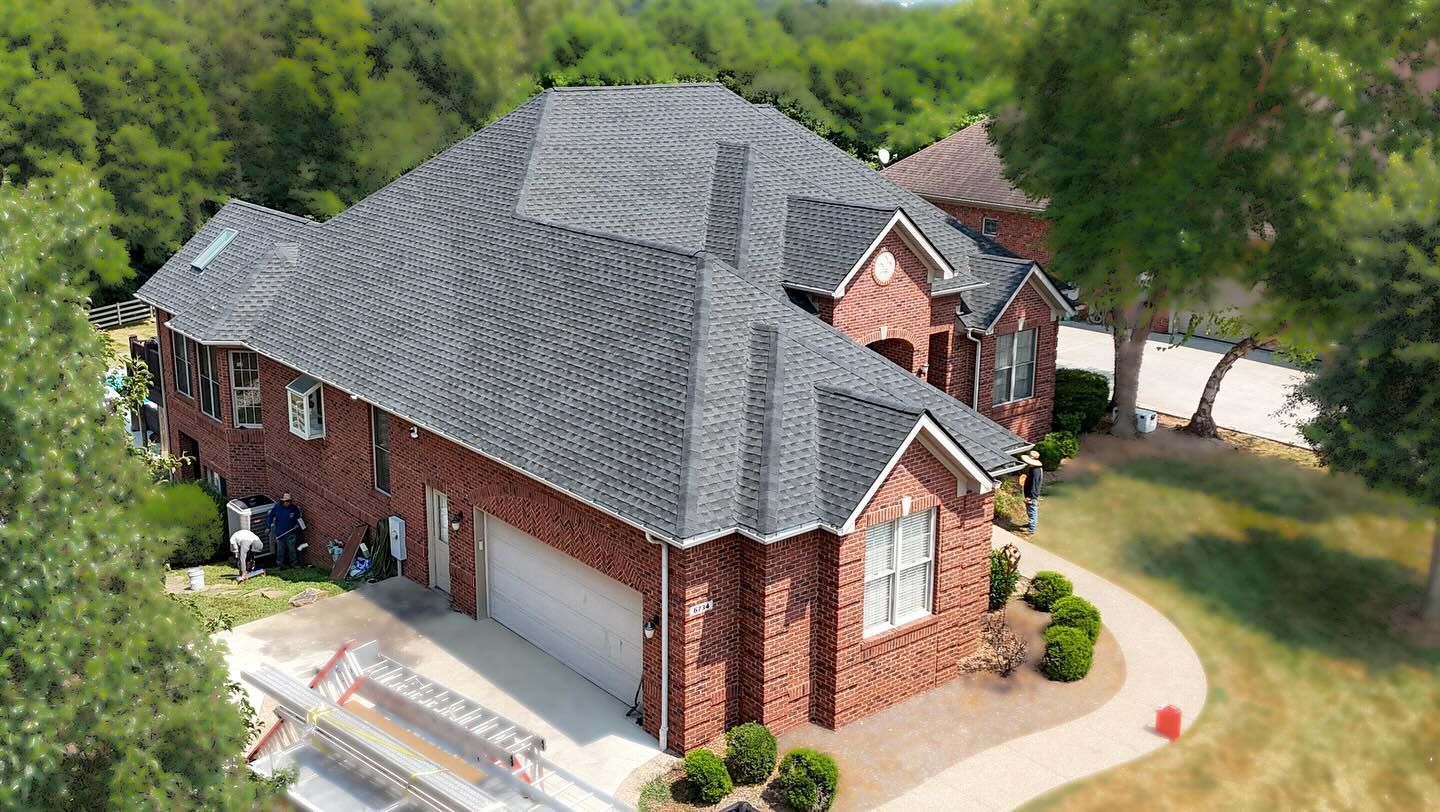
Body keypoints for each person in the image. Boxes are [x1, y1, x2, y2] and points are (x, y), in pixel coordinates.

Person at [266, 492, 304, 568]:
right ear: (283, 501)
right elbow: (270, 516)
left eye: (289, 501)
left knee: (292, 549)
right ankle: (280, 564)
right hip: (280, 533)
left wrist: (298, 525)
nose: (288, 503)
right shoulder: (277, 508)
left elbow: (299, 518)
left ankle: (294, 563)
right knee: (280, 550)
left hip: (291, 533)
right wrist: (268, 527)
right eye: (287, 501)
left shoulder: (294, 508)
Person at [1019, 450, 1044, 534]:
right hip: (1030, 494)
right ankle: (1030, 524)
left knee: (1032, 511)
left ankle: (1031, 529)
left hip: (1032, 495)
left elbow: (1034, 485)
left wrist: (1029, 497)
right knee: (1030, 511)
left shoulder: (1035, 471)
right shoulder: (1034, 469)